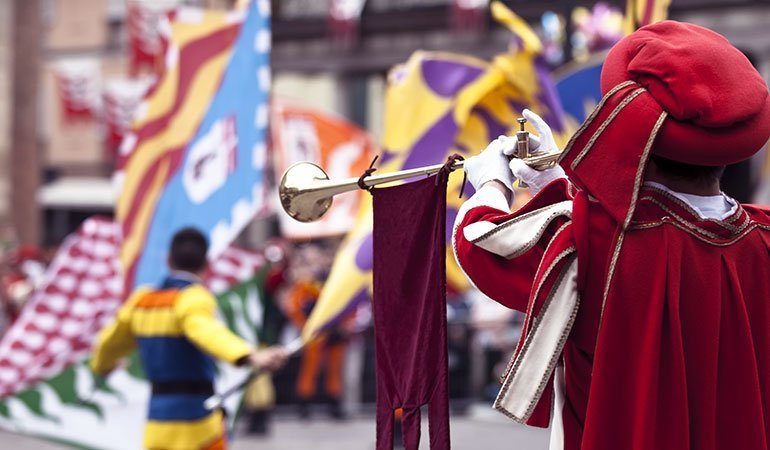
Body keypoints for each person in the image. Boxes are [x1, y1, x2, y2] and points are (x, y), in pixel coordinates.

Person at [454, 21, 770, 450]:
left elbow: (484, 245)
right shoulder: (763, 236)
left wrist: (491, 182)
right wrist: (554, 179)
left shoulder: (594, 241)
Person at [90, 228, 289, 450]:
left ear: (168, 260)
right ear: (207, 264)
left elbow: (108, 343)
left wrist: (103, 365)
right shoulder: (193, 298)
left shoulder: (141, 301)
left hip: (157, 422)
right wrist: (250, 355)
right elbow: (206, 331)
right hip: (197, 423)